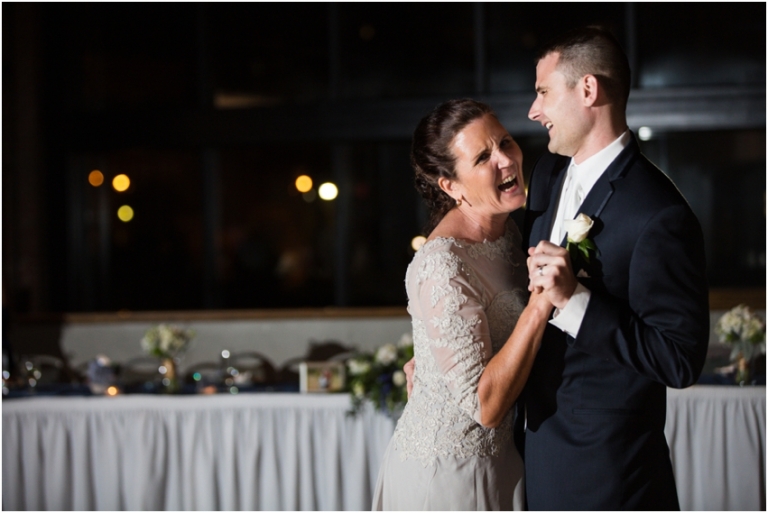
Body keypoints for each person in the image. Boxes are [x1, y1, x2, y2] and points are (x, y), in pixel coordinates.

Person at [521, 26, 710, 509]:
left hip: (609, 472)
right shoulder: (548, 175)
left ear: (587, 89)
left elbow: (680, 358)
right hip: (535, 452)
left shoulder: (659, 214)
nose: (533, 110)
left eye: (543, 92)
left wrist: (574, 301)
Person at [372, 99, 553, 510]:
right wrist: (540, 303)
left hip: (502, 460)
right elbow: (484, 407)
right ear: (450, 186)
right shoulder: (443, 263)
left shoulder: (509, 234)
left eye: (505, 142)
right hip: (447, 475)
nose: (506, 160)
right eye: (484, 156)